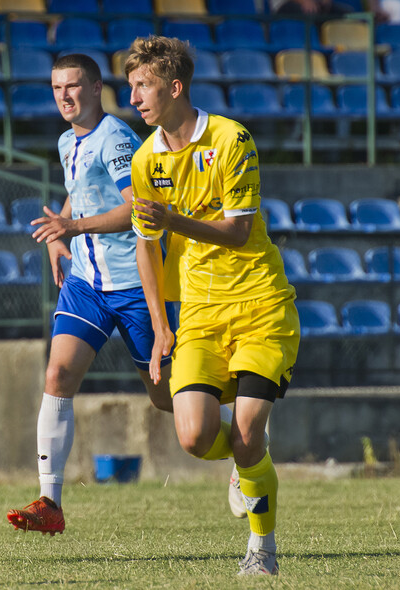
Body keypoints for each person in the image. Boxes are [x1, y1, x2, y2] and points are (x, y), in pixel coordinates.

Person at [5, 53, 238, 536]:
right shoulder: (69, 139)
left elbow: (136, 209)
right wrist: (61, 235)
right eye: (56, 89)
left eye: (73, 86)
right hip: (87, 284)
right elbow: (80, 189)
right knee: (58, 372)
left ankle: (244, 437)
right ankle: (50, 501)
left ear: (95, 90)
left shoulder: (115, 139)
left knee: (165, 396)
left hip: (135, 285)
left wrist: (72, 224)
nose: (64, 96)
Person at [126, 36, 300, 576]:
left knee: (246, 432)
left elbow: (240, 229)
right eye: (130, 86)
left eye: (142, 86)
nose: (133, 97)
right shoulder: (144, 159)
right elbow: (145, 247)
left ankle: (261, 550)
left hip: (259, 305)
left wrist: (173, 219)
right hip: (199, 314)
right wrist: (159, 326)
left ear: (175, 88)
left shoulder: (230, 139)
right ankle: (246, 463)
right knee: (195, 436)